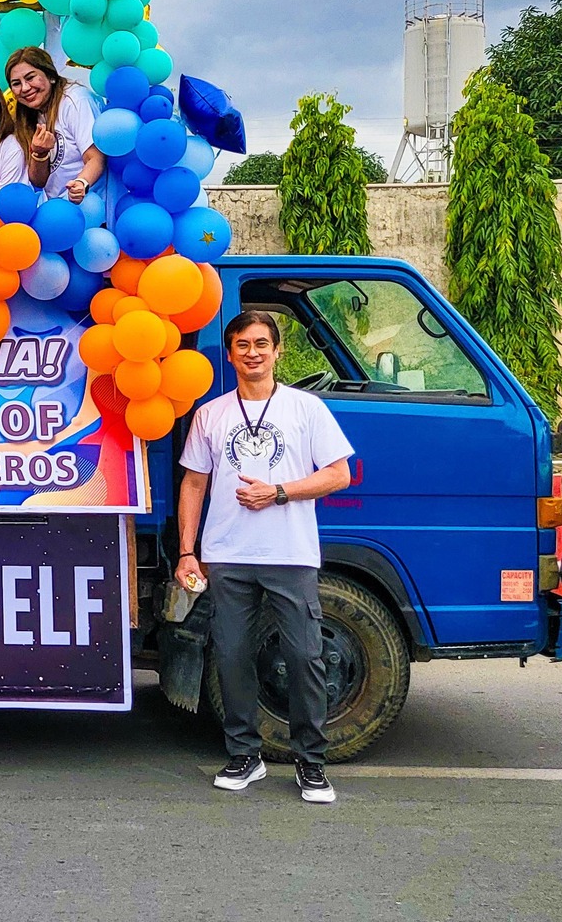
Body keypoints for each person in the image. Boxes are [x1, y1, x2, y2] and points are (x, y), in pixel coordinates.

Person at [175, 311, 355, 805]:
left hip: (290, 553)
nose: (252, 353)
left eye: (261, 344)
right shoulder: (211, 414)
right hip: (226, 554)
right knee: (231, 656)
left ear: (278, 351)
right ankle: (244, 755)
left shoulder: (306, 408)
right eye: (242, 345)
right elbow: (194, 483)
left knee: (304, 656)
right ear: (230, 354)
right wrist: (188, 551)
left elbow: (338, 474)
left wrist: (278, 492)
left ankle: (311, 763)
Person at [4, 46, 104, 203]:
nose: (25, 88)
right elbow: (38, 182)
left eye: (30, 78)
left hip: (91, 203)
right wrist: (40, 154)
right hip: (56, 208)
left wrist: (81, 183)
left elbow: (96, 158)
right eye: (16, 83)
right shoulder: (27, 115)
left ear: (50, 76)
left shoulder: (76, 100)